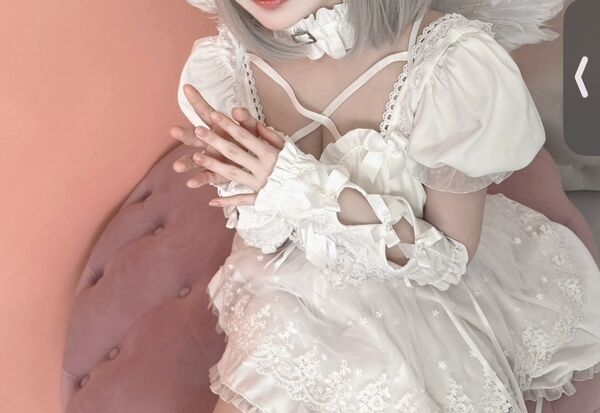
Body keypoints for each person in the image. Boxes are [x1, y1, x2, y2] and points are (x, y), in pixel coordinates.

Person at [170, 0, 600, 412]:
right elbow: (264, 238)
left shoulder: (449, 64)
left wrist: (294, 184)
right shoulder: (225, 66)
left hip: (414, 291)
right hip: (287, 288)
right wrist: (242, 176)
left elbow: (447, 260)